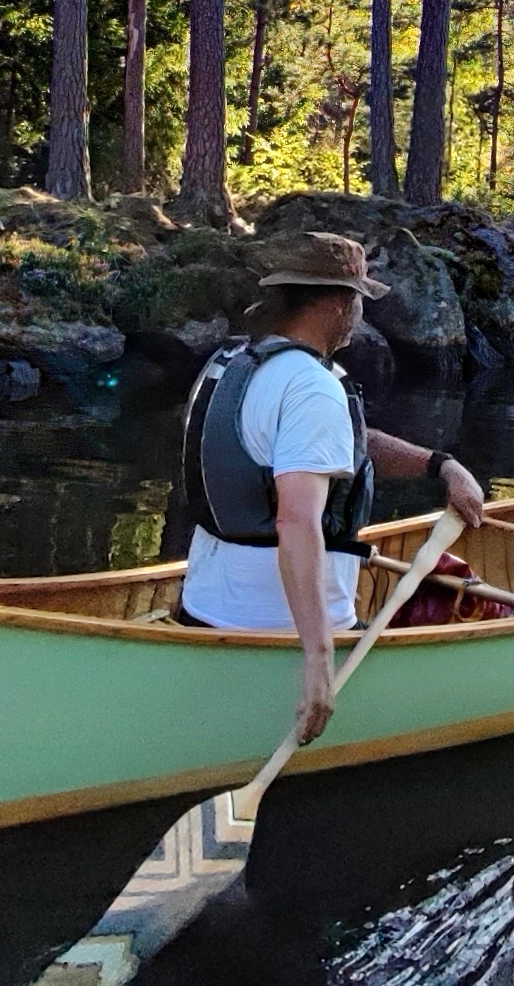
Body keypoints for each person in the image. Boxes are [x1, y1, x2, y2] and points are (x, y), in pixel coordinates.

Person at [177, 232, 488, 745]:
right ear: (339, 304)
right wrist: (319, 658)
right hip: (272, 630)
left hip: (203, 611)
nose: (361, 314)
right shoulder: (311, 386)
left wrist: (440, 465)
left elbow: (345, 444)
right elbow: (296, 520)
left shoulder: (238, 362)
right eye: (360, 300)